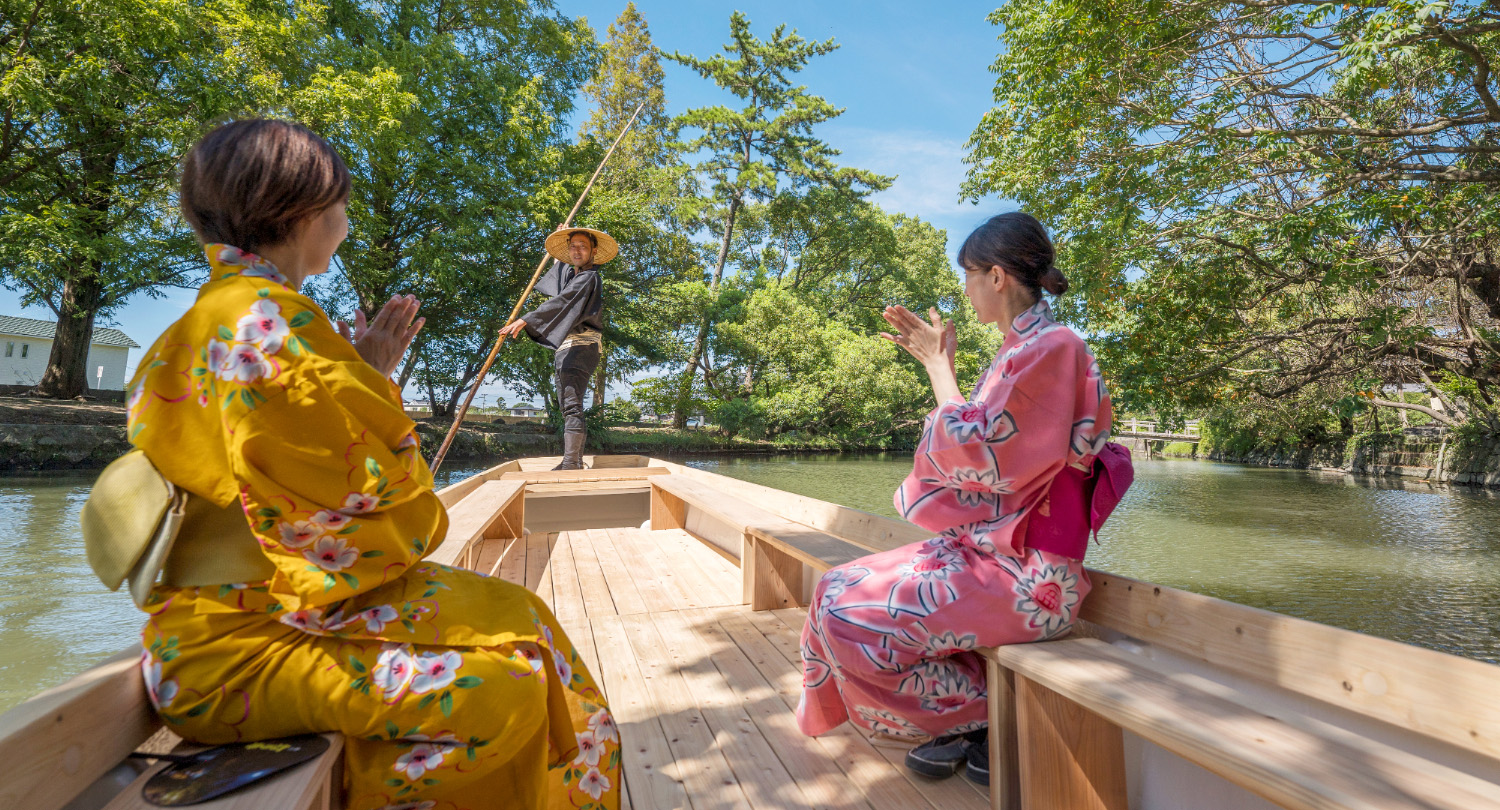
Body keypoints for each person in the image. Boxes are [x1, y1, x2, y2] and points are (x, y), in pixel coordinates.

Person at [124, 119, 620, 810]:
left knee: (524, 613)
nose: (348, 219)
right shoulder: (272, 330)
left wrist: (364, 376)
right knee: (516, 683)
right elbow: (379, 527)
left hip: (242, 617)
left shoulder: (208, 325)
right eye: (342, 204)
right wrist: (372, 391)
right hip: (249, 645)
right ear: (303, 215)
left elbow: (301, 481)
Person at [793, 213, 1129, 787]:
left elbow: (979, 455)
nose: (965, 290)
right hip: (990, 553)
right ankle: (968, 718)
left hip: (1033, 574)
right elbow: (982, 451)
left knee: (853, 618)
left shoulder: (1055, 346)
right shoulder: (1020, 351)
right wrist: (946, 373)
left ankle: (984, 717)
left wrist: (937, 369)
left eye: (968, 276)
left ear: (996, 276)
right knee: (832, 588)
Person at [497, 228, 615, 470]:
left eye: (582, 246)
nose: (576, 250)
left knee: (572, 405)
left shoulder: (589, 277)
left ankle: (572, 462)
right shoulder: (575, 275)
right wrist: (557, 251)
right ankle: (572, 460)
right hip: (567, 348)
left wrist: (526, 319)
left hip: (582, 346)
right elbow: (561, 284)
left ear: (593, 251)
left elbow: (562, 300)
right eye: (572, 246)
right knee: (566, 406)